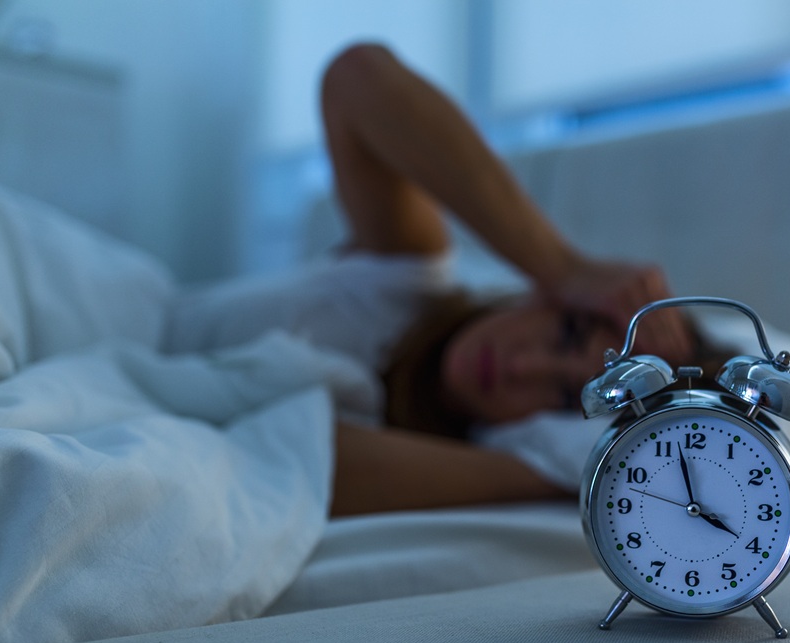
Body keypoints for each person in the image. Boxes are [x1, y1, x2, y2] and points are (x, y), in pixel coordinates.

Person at [171, 43, 724, 517]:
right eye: (565, 334)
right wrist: (564, 266)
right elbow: (358, 74)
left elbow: (296, 459)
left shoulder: (441, 461)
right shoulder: (404, 277)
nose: (522, 367)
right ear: (546, 299)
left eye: (560, 396)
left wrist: (577, 467)